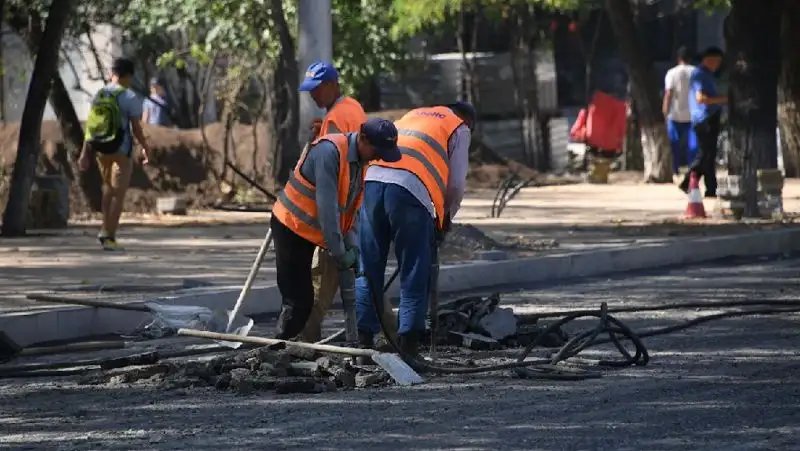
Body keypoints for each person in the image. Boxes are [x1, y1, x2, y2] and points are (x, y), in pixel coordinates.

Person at [354, 102, 475, 357]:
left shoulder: (413, 114)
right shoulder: (459, 128)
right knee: (415, 268)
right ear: (467, 120)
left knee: (368, 266)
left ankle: (363, 343)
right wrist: (444, 221)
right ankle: (409, 344)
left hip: (374, 181)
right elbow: (455, 187)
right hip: (409, 191)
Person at [269, 117, 402, 341]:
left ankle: (292, 348)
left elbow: (349, 209)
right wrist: (340, 253)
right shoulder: (329, 153)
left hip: (312, 231)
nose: (379, 157)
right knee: (298, 300)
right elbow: (328, 211)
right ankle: (277, 351)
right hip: (291, 227)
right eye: (377, 150)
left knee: (308, 299)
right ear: (363, 138)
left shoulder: (360, 162)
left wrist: (353, 246)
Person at [296, 61, 369, 343]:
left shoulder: (336, 118)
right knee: (362, 277)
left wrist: (331, 229)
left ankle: (303, 341)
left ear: (331, 85)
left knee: (320, 281)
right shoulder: (351, 107)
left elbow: (327, 171)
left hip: (338, 210)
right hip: (354, 203)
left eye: (316, 89)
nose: (312, 96)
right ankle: (388, 335)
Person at [78, 58, 152, 251]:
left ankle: (105, 227)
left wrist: (85, 153)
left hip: (101, 149)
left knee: (108, 189)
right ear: (128, 76)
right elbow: (136, 128)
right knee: (118, 194)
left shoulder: (99, 94)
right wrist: (145, 147)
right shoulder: (129, 96)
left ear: (112, 73)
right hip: (121, 149)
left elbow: (91, 127)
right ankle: (109, 235)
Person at [680, 46, 727, 197]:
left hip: (709, 118)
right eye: (717, 61)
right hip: (704, 119)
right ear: (709, 59)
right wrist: (725, 99)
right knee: (704, 154)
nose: (718, 65)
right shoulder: (700, 74)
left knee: (709, 155)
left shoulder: (707, 74)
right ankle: (688, 180)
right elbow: (701, 99)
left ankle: (711, 188)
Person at [663, 46, 697, 178]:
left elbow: (668, 94)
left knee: (674, 145)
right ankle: (692, 171)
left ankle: (675, 171)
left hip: (675, 115)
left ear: (678, 58)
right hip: (692, 115)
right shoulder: (696, 72)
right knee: (692, 146)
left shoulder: (671, 73)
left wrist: (665, 111)